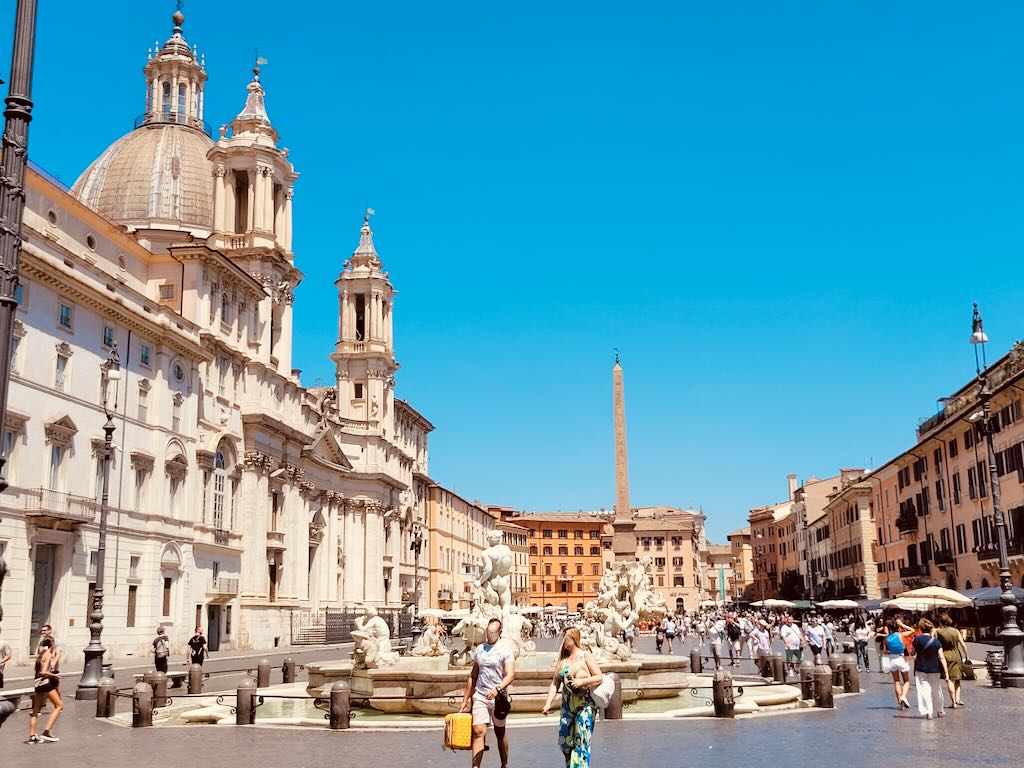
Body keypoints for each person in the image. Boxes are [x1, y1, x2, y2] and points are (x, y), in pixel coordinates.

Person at [542, 627, 603, 768]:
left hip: (585, 704)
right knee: (565, 742)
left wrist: (582, 681)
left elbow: (599, 677)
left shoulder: (585, 656)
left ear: (573, 639)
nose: (563, 640)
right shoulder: (562, 660)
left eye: (565, 638)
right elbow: (555, 683)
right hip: (567, 705)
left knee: (581, 740)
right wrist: (548, 703)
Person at [459, 618, 515, 768]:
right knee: (478, 731)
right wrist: (465, 699)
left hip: (499, 698)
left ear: (499, 632)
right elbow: (473, 675)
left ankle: (504, 764)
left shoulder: (506, 650)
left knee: (500, 732)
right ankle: (475, 766)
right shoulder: (479, 649)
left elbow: (510, 674)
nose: (489, 635)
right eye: (487, 632)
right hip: (481, 695)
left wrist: (497, 689)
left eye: (492, 633)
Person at [910, 617, 947, 719]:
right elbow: (942, 657)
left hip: (921, 668)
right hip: (935, 669)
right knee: (936, 690)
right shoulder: (936, 642)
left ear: (920, 628)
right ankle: (940, 710)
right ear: (931, 629)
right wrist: (946, 673)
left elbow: (912, 653)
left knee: (924, 690)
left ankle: (928, 711)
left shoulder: (917, 639)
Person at [27, 637, 62, 743]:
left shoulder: (40, 655)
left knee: (36, 710)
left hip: (37, 683)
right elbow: (44, 671)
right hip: (45, 683)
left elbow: (37, 671)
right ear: (52, 644)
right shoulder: (48, 655)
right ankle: (47, 732)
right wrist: (56, 676)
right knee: (59, 706)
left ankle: (32, 736)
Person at [935, 613, 969, 708]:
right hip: (956, 655)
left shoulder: (938, 631)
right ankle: (958, 698)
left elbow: (935, 644)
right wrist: (967, 656)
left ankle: (953, 702)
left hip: (945, 655)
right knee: (957, 678)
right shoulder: (956, 631)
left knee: (949, 679)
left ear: (940, 622)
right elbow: (963, 645)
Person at [884, 617, 913, 710]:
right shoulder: (900, 635)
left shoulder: (887, 638)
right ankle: (903, 696)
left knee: (896, 682)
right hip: (901, 659)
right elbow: (912, 630)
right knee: (906, 681)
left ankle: (900, 703)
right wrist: (902, 624)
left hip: (892, 660)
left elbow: (885, 651)